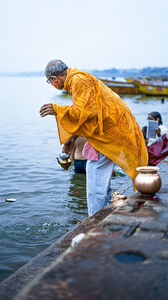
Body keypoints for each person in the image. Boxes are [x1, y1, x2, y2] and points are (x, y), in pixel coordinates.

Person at [40, 60, 148, 216]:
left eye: (50, 81)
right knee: (100, 173)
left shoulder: (78, 81)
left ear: (54, 78)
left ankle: (94, 217)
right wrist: (72, 138)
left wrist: (57, 109)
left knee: (95, 172)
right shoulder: (77, 79)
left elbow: (84, 113)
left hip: (112, 131)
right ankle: (104, 211)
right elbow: (88, 115)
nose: (52, 84)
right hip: (112, 129)